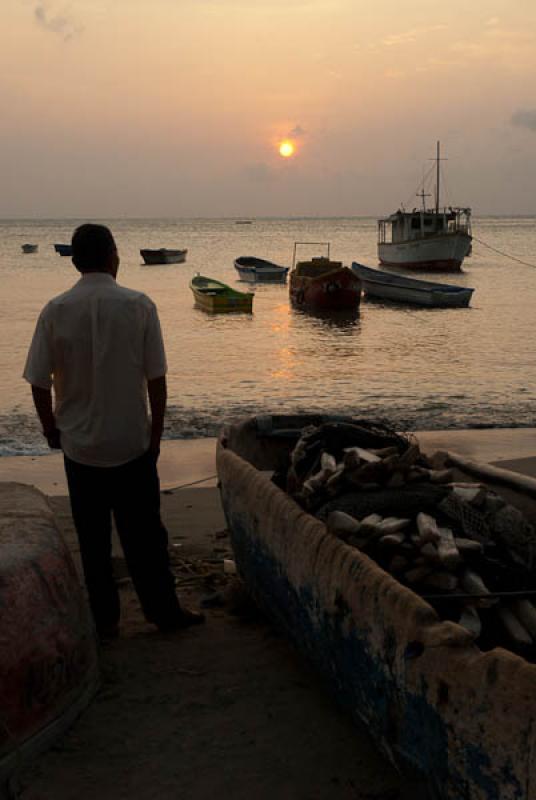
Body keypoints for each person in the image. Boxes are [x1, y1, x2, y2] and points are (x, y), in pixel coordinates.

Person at [23, 223, 204, 638]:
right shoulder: (139, 305)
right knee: (145, 539)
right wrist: (155, 436)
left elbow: (38, 381)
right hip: (131, 444)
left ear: (76, 259)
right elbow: (156, 380)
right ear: (113, 257)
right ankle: (163, 611)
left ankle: (105, 621)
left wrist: (51, 428)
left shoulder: (55, 309)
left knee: (93, 542)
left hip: (81, 448)